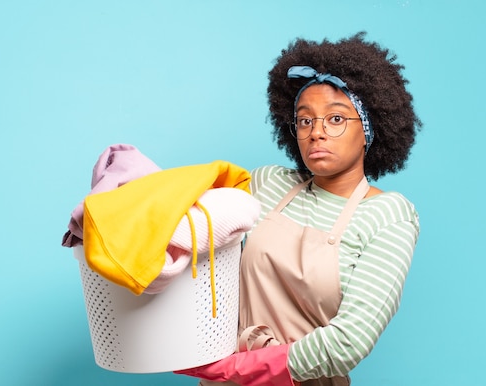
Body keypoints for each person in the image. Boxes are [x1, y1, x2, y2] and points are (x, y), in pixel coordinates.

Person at [175, 31, 422, 386]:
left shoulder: (389, 215)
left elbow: (349, 341)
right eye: (305, 120)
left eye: (336, 119)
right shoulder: (267, 184)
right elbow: (193, 241)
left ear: (369, 129)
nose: (316, 133)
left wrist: (238, 368)